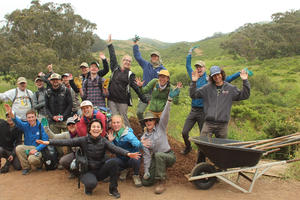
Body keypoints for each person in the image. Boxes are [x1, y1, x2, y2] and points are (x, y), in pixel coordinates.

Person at [37, 119, 141, 198]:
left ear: (101, 130)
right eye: (93, 127)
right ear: (90, 130)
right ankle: (88, 186)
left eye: (98, 127)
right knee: (91, 183)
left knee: (113, 162)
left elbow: (115, 148)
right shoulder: (83, 140)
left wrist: (128, 154)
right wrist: (49, 142)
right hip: (87, 171)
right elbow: (67, 142)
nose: (96, 129)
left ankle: (113, 189)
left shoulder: (104, 141)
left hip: (100, 170)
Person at [181, 48, 241, 155]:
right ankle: (188, 147)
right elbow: (187, 66)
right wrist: (189, 54)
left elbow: (226, 80)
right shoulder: (193, 76)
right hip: (193, 110)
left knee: (203, 139)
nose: (198, 69)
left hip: (204, 112)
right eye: (197, 67)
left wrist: (239, 73)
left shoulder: (209, 80)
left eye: (200, 67)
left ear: (205, 68)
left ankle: (204, 158)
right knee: (184, 132)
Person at [190, 66, 250, 162]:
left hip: (223, 125)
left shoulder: (230, 89)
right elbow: (193, 95)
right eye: (214, 75)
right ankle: (200, 167)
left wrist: (245, 80)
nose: (217, 77)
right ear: (211, 77)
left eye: (218, 74)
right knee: (202, 145)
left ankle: (220, 168)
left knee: (221, 149)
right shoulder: (207, 88)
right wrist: (194, 82)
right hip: (208, 123)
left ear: (222, 74)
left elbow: (244, 95)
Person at [141, 86, 181, 194]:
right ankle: (157, 174)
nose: (149, 122)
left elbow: (165, 115)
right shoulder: (144, 137)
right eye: (146, 120)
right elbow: (147, 155)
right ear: (145, 123)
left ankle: (161, 182)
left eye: (151, 120)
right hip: (156, 159)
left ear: (155, 121)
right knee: (146, 182)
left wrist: (169, 100)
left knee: (158, 155)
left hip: (168, 156)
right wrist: (146, 171)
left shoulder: (161, 127)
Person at [107, 35, 148, 127]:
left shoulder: (130, 74)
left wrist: (144, 99)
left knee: (124, 120)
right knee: (114, 120)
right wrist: (110, 44)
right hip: (112, 100)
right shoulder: (115, 68)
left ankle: (129, 138)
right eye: (126, 60)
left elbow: (136, 88)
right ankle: (115, 139)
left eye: (129, 61)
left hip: (122, 101)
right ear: (122, 61)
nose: (127, 62)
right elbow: (112, 57)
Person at [4, 104, 48, 175]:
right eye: (29, 118)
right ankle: (26, 168)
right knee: (18, 148)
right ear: (27, 118)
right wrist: (10, 113)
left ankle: (39, 164)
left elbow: (45, 141)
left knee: (32, 159)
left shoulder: (41, 126)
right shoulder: (26, 125)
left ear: (36, 117)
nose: (31, 119)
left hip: (37, 149)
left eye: (32, 117)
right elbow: (17, 121)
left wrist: (36, 149)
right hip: (27, 148)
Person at [107, 115, 150, 187]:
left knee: (135, 159)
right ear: (111, 124)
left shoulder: (128, 134)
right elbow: (113, 151)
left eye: (118, 122)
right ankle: (124, 170)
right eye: (114, 123)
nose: (116, 125)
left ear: (122, 123)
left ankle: (136, 175)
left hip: (132, 158)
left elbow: (137, 144)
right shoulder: (112, 134)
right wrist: (110, 141)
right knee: (113, 161)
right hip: (121, 158)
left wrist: (141, 144)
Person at [133, 39, 166, 123]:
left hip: (156, 95)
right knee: (139, 112)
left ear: (159, 58)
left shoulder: (163, 69)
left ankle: (156, 130)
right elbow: (138, 57)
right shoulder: (146, 65)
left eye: (155, 56)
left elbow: (165, 83)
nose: (154, 58)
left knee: (156, 115)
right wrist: (135, 45)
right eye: (152, 56)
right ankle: (143, 126)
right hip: (145, 93)